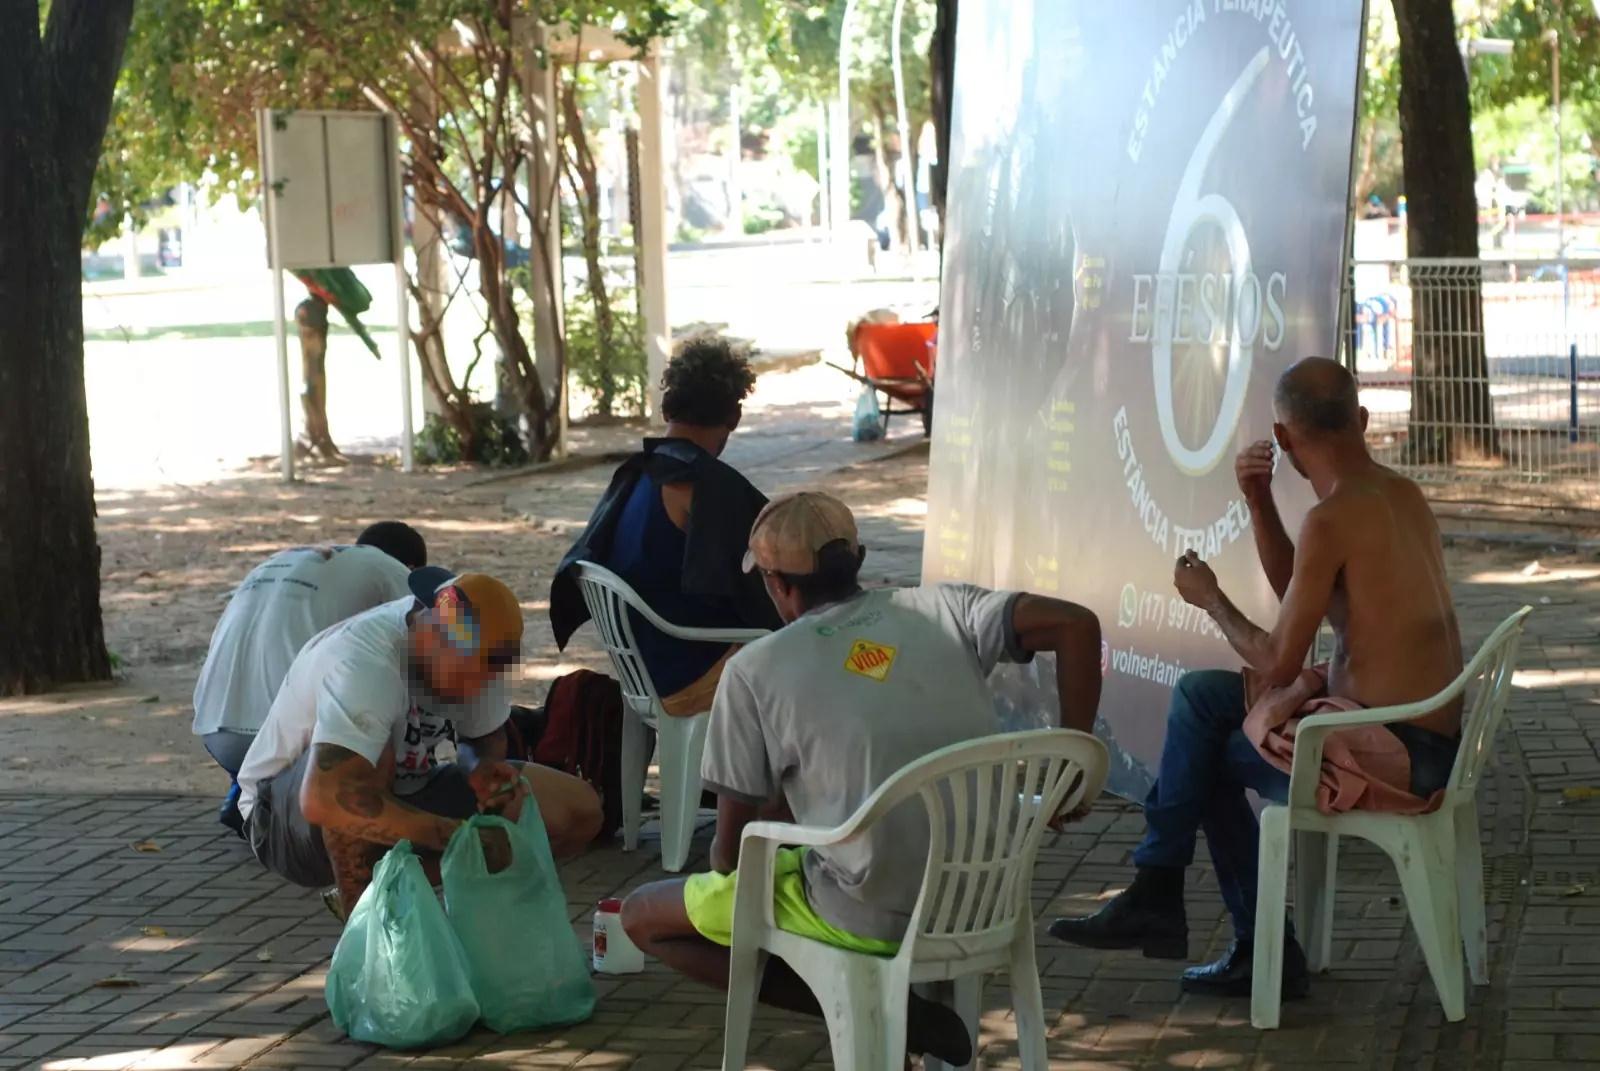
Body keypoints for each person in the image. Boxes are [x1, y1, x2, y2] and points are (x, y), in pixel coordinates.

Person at [619, 492, 1103, 1067]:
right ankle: (896, 1014)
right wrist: (1076, 770)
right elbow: (1077, 624)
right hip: (981, 898)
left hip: (868, 913)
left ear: (775, 584)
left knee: (644, 916)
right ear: (861, 557)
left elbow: (730, 858)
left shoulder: (754, 670)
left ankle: (887, 1015)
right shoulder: (943, 607)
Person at [1050, 358, 1463, 999]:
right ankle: (1167, 891)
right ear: (1361, 419)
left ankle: (1232, 929)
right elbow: (1309, 593)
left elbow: (1278, 664)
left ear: (1285, 437)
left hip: (1396, 759)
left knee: (1208, 753)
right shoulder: (1398, 494)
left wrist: (1210, 598)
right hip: (1411, 736)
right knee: (1201, 699)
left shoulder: (1333, 518)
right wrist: (1258, 500)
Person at [235, 570, 603, 913]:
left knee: (578, 811)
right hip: (283, 819)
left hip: (403, 788)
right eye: (468, 675)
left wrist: (482, 771)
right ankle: (365, 920)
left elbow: (485, 737)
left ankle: (397, 890)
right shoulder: (366, 665)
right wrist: (456, 838)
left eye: (488, 676)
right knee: (362, 761)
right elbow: (324, 799)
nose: (478, 689)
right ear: (430, 639)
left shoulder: (480, 652)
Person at [550, 334, 781, 715]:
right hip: (689, 675)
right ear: (734, 416)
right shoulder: (705, 485)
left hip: (643, 668)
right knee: (814, 660)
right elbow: (761, 591)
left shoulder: (633, 474)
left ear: (667, 409)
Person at [192, 523, 428, 833]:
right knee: (381, 698)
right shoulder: (390, 569)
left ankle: (248, 790)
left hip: (215, 733)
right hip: (287, 743)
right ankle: (308, 817)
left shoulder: (285, 559)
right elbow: (431, 631)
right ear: (410, 566)